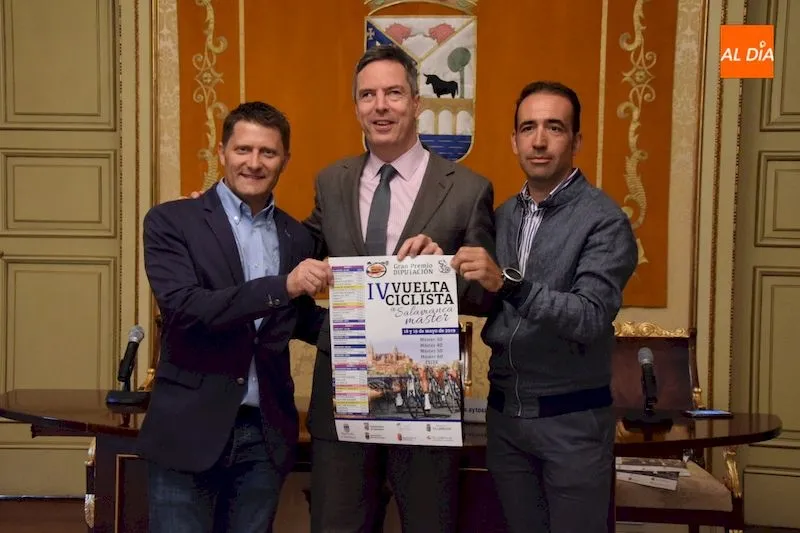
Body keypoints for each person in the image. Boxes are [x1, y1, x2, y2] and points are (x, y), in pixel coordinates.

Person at [303, 44, 495, 533]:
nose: (380, 106)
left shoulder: (468, 188)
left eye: (393, 93)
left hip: (423, 396)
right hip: (340, 393)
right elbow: (297, 251)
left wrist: (447, 271)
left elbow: (488, 292)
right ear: (356, 108)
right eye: (368, 95)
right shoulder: (331, 181)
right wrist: (217, 208)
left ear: (417, 103)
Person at [450, 81, 639, 533]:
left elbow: (590, 317)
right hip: (505, 420)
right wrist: (432, 265)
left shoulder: (605, 221)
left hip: (570, 422)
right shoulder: (502, 216)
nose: (539, 140)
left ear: (575, 141)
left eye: (554, 128)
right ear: (513, 139)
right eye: (528, 128)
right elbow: (481, 298)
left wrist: (509, 282)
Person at [138, 101, 331, 533]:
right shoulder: (172, 221)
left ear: (285, 160)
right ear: (222, 151)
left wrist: (382, 331)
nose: (254, 163)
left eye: (268, 152)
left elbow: (298, 319)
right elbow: (186, 309)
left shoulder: (296, 235)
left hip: (264, 437)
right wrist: (283, 286)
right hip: (189, 430)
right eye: (243, 149)